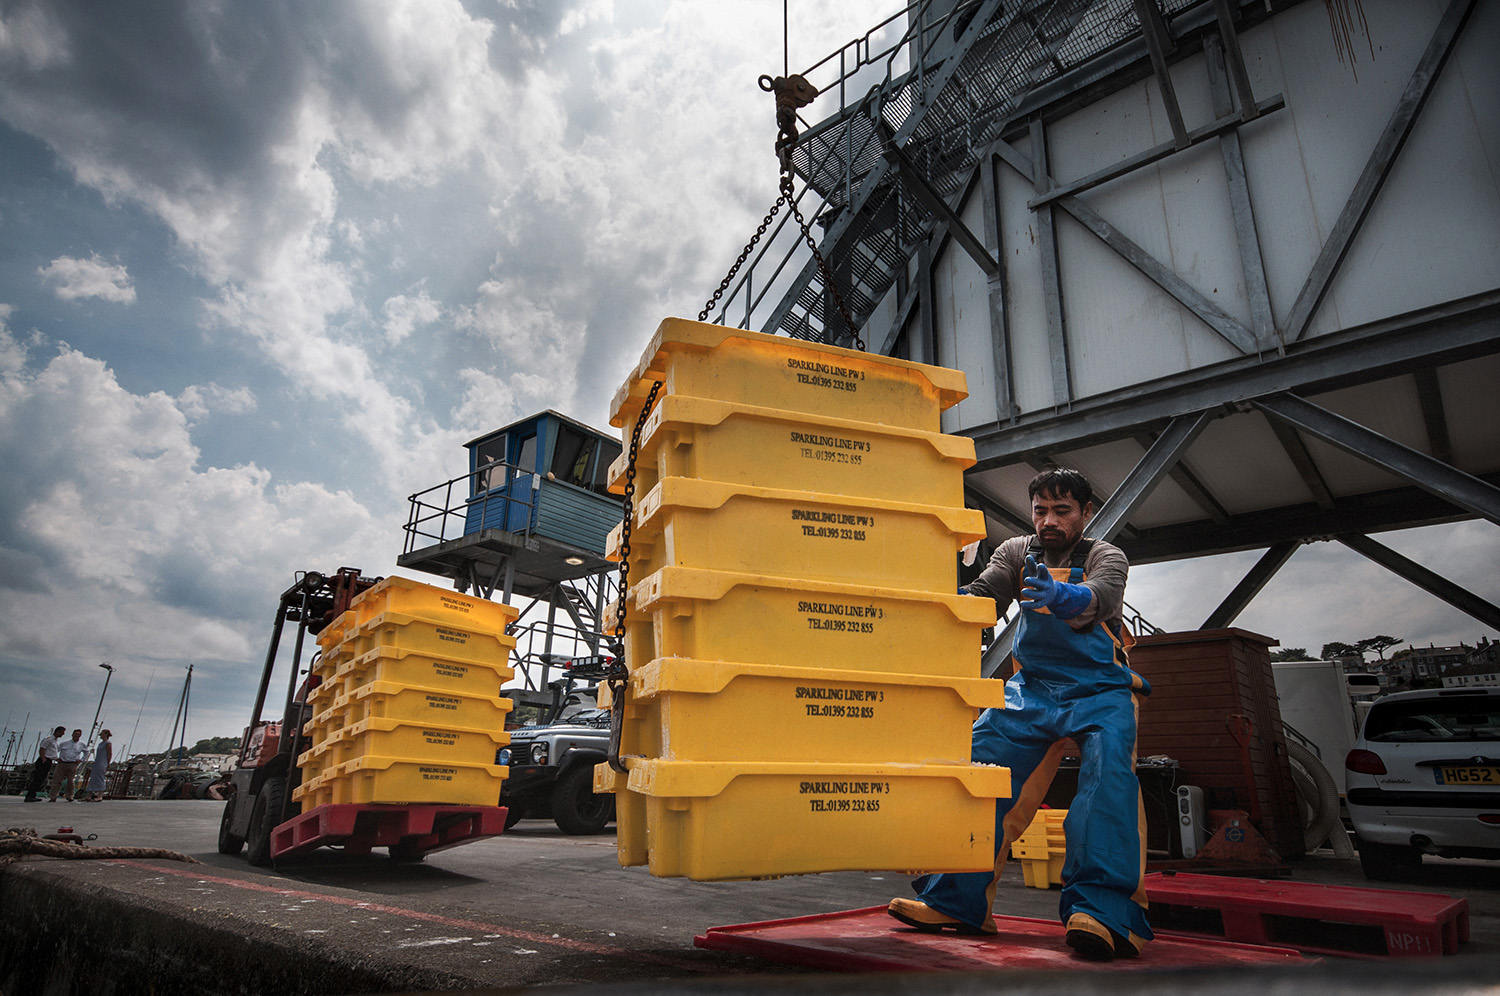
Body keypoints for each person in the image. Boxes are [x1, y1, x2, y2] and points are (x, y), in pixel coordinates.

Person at [888, 468, 1153, 962]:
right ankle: (954, 899)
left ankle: (1105, 913)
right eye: (1040, 511)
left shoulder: (1104, 555)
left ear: (1085, 513)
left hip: (1101, 691)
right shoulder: (1015, 552)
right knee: (978, 773)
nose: (1048, 521)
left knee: (1107, 784)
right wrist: (947, 603)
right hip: (1031, 689)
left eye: (1062, 511)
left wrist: (1066, 596)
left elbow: (1102, 597)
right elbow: (986, 596)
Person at [24, 726, 65, 803]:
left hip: (49, 760)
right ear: (58, 732)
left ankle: (33, 794)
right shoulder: (49, 739)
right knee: (37, 778)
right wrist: (43, 759)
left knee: (41, 779)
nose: (63, 734)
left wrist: (57, 759)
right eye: (62, 733)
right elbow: (42, 748)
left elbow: (51, 752)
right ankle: (30, 795)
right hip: (44, 760)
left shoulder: (55, 741)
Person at [50, 729, 87, 802]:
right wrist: (56, 758)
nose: (77, 736)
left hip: (73, 764)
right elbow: (55, 750)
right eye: (75, 734)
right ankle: (53, 796)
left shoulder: (81, 744)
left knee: (71, 781)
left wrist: (81, 760)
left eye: (78, 735)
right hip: (62, 763)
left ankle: (70, 796)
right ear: (72, 734)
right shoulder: (64, 743)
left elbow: (86, 752)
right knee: (57, 780)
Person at [85, 730, 113, 801]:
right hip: (97, 761)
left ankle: (100, 795)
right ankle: (89, 794)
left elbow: (109, 753)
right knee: (93, 778)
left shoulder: (108, 743)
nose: (100, 735)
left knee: (100, 777)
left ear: (106, 734)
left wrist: (108, 763)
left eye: (102, 734)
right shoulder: (100, 744)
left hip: (102, 762)